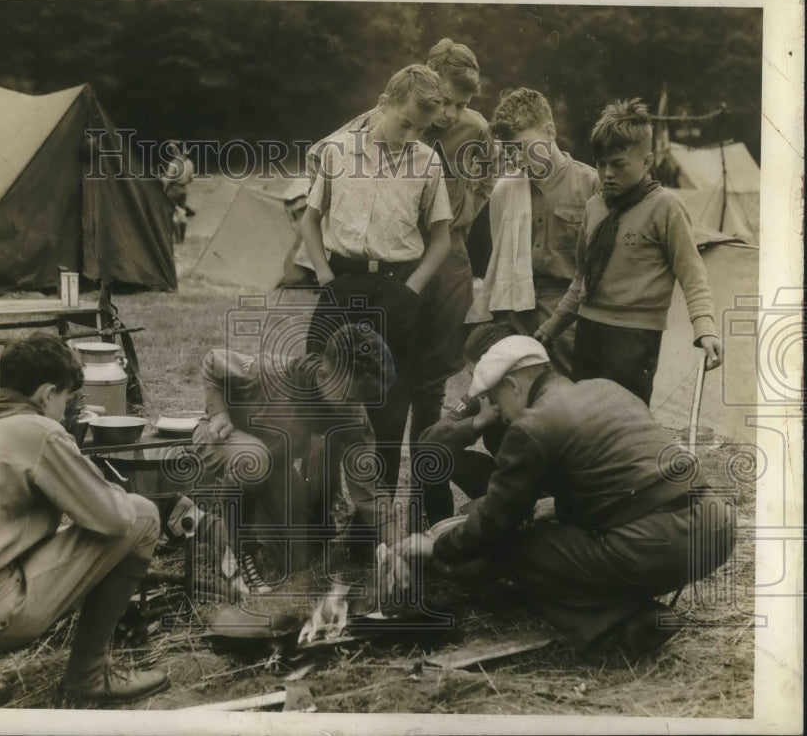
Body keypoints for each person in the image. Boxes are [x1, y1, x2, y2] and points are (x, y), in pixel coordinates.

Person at [385, 336, 735, 661]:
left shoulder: (532, 425)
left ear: (514, 384)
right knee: (564, 542)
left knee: (515, 550)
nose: (495, 409)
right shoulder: (606, 389)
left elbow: (494, 526)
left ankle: (621, 622)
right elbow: (622, 478)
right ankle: (629, 603)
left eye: (494, 397)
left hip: (659, 542)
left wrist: (438, 547)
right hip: (714, 528)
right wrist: (558, 506)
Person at [0, 334, 168, 706]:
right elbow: (115, 520)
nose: (65, 409)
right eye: (66, 399)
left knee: (5, 539)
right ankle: (89, 678)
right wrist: (104, 489)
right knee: (143, 516)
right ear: (47, 393)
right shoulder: (37, 431)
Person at [301, 63, 452, 507]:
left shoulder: (427, 161)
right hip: (340, 282)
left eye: (420, 130)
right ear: (383, 104)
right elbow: (310, 221)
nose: (410, 136)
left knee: (389, 404)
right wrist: (326, 278)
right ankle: (317, 507)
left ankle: (376, 518)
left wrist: (410, 292)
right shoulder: (338, 152)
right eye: (404, 122)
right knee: (319, 391)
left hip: (397, 289)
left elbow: (440, 237)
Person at [536, 98, 723, 405]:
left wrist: (705, 327)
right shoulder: (594, 207)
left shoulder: (666, 207)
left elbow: (692, 273)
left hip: (635, 338)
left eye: (619, 164)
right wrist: (553, 327)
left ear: (646, 162)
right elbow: (581, 279)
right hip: (589, 330)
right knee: (582, 414)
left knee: (624, 421)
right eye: (601, 163)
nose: (607, 173)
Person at [191, 323, 396, 587]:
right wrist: (218, 411)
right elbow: (212, 361)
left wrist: (396, 546)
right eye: (349, 399)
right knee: (254, 458)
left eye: (361, 401)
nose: (356, 408)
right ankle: (237, 550)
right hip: (219, 440)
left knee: (294, 559)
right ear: (323, 376)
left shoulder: (351, 416)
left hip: (272, 466)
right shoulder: (270, 373)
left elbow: (369, 490)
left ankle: (201, 522)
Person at [467, 88, 600, 376]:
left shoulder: (592, 186)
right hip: (515, 308)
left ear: (550, 132)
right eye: (508, 151)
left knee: (566, 394)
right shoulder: (504, 190)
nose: (515, 160)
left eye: (521, 147)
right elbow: (500, 258)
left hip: (568, 311)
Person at [414, 322, 517, 525]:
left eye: (482, 375)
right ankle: (439, 529)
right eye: (472, 375)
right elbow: (428, 440)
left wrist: (490, 503)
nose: (475, 384)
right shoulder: (481, 396)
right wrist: (477, 422)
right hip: (504, 479)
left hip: (539, 494)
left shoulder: (540, 399)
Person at [160, 140, 195, 242]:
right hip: (184, 189)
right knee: (182, 213)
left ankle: (177, 238)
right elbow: (191, 179)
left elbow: (168, 179)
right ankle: (182, 238)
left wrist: (163, 190)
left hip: (174, 189)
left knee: (173, 214)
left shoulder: (174, 164)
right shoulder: (189, 163)